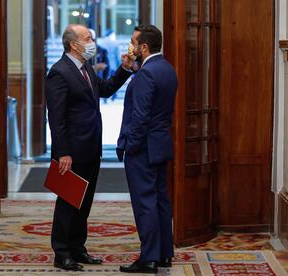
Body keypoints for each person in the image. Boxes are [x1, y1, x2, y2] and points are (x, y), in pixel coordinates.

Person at [45, 24, 134, 271]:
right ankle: (61, 252)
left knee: (83, 202)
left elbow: (104, 90)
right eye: (88, 38)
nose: (93, 41)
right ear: (74, 44)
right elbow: (56, 117)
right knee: (68, 202)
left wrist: (125, 69)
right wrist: (63, 152)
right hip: (70, 153)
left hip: (91, 147)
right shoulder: (59, 72)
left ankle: (77, 248)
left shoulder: (84, 68)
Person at [117, 24, 178, 274]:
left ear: (143, 47)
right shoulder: (166, 69)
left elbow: (140, 116)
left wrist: (130, 146)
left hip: (143, 149)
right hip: (161, 144)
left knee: (145, 203)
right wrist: (133, 70)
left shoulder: (145, 74)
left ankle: (148, 258)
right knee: (161, 200)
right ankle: (164, 254)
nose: (130, 46)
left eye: (133, 42)